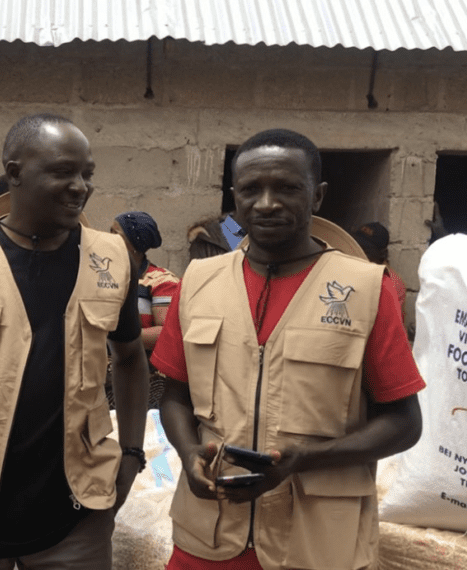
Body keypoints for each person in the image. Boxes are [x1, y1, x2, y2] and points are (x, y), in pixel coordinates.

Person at [152, 128, 425, 570]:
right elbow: (176, 399)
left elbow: (404, 422)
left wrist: (308, 459)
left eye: (286, 188)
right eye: (250, 190)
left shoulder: (366, 289)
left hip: (318, 543)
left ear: (317, 196)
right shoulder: (199, 281)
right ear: (234, 197)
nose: (266, 203)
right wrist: (187, 455)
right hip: (209, 537)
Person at [0, 113, 150, 570]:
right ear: (14, 172)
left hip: (76, 513)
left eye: (87, 174)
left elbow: (132, 359)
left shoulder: (112, 259)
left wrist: (132, 453)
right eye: (62, 172)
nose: (80, 186)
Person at [110, 211, 179, 409]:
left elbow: (165, 333)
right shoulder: (105, 276)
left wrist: (109, 335)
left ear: (135, 244)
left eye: (116, 234)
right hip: (102, 377)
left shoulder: (162, 281)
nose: (108, 238)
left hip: (146, 379)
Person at [351, 222, 408, 325]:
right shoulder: (356, 269)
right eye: (355, 246)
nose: (357, 253)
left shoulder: (391, 284)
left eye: (365, 250)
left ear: (381, 255)